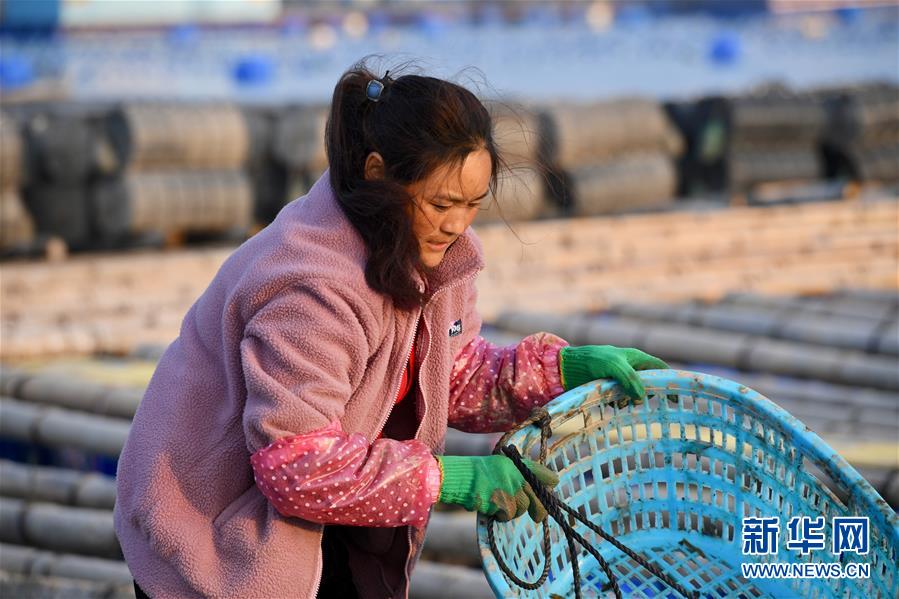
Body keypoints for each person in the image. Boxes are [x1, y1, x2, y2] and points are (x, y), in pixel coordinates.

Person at [113, 59, 669, 599]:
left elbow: (450, 375)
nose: (456, 224)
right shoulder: (313, 289)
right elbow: (294, 466)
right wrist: (451, 479)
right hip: (217, 533)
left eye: (473, 204)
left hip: (331, 505)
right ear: (377, 173)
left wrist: (561, 372)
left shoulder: (438, 255)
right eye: (440, 203)